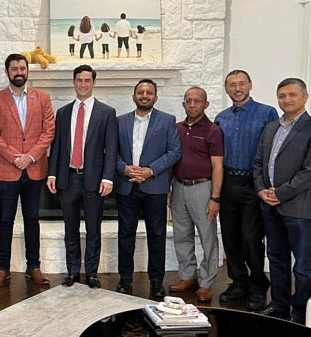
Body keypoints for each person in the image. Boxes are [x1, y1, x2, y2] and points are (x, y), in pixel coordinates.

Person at [254, 78, 311, 324]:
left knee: (303, 265)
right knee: (277, 259)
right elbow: (258, 163)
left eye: (292, 95)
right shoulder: (271, 128)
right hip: (269, 206)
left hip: (298, 207)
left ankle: (299, 312)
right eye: (282, 95)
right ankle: (279, 306)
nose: (286, 99)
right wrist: (261, 190)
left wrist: (281, 193)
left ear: (305, 97)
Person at [0, 53, 55, 287]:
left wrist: (31, 156)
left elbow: (48, 132)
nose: (19, 72)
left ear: (27, 71)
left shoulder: (42, 98)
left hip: (34, 169)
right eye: (14, 69)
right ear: (7, 72)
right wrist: (16, 157)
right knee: (5, 220)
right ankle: (2, 268)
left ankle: (33, 266)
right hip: (7, 169)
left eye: (22, 68)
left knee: (32, 219)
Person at [46, 65, 117, 289]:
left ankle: (92, 273)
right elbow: (57, 147)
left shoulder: (106, 112)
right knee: (70, 229)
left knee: (93, 230)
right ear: (74, 82)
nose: (83, 84)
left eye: (87, 80)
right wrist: (52, 173)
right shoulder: (63, 112)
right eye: (79, 80)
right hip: (68, 179)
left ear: (94, 83)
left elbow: (111, 149)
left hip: (94, 180)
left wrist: (108, 178)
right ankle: (73, 271)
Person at [214, 69, 277, 310]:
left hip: (254, 184)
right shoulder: (221, 118)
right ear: (226, 89)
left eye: (241, 83)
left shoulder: (267, 113)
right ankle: (238, 282)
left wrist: (267, 185)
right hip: (229, 183)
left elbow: (273, 151)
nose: (237, 88)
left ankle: (258, 286)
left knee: (251, 238)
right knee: (230, 237)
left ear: (250, 85)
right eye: (232, 85)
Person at [115, 79, 181, 298]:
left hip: (155, 186)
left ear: (155, 97)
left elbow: (174, 151)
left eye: (149, 92)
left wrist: (150, 171)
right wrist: (124, 169)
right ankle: (125, 279)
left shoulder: (167, 120)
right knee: (126, 234)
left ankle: (156, 281)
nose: (144, 96)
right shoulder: (120, 121)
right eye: (141, 92)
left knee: (157, 234)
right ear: (134, 96)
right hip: (127, 186)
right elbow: (111, 152)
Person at [168, 87, 223, 302]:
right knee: (182, 235)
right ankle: (187, 275)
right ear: (184, 104)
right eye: (188, 101)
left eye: (197, 101)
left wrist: (215, 198)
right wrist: (170, 189)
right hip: (179, 187)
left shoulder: (213, 131)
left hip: (203, 188)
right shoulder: (176, 129)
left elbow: (218, 167)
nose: (192, 105)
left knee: (207, 237)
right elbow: (172, 160)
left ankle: (207, 282)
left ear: (206, 104)